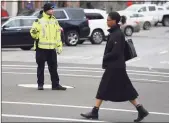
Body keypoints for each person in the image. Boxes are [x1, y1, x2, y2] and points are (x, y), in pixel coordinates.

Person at [80, 12, 149, 122]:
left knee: (104, 87)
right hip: (117, 66)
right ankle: (141, 109)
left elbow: (116, 52)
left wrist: (105, 57)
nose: (107, 21)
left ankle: (95, 111)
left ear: (114, 21)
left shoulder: (117, 34)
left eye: (108, 20)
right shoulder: (114, 32)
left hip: (115, 67)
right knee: (126, 89)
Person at [30, 3, 66, 91]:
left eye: (53, 9)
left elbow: (58, 35)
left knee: (54, 67)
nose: (52, 11)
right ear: (46, 10)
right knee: (41, 67)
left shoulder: (54, 20)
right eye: (51, 9)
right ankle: (40, 84)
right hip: (41, 48)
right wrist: (34, 33)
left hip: (51, 49)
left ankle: (55, 85)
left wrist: (59, 46)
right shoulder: (39, 20)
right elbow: (33, 33)